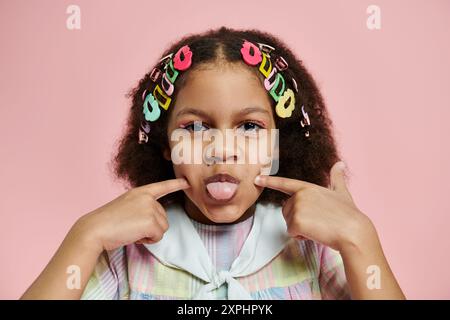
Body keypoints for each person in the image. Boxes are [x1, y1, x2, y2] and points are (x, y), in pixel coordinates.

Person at [21, 26, 405, 300]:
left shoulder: (314, 246)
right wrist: (84, 237)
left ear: (278, 144)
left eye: (250, 126)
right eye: (196, 127)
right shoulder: (127, 252)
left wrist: (359, 238)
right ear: (164, 144)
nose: (222, 150)